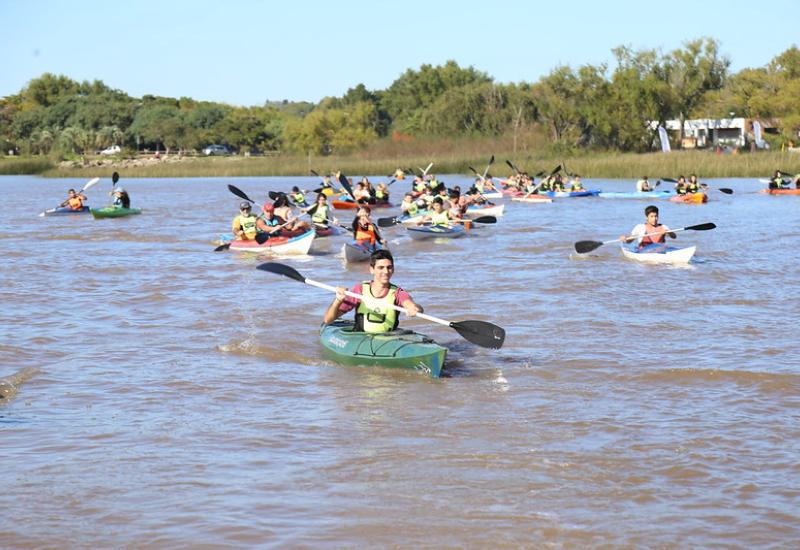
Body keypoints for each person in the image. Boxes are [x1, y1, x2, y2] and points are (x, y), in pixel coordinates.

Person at [323, 249, 422, 333]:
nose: (386, 272)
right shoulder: (359, 290)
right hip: (361, 338)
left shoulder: (397, 293)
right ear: (372, 270)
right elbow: (328, 319)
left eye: (389, 267)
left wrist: (414, 309)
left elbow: (411, 304)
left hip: (387, 340)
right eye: (380, 268)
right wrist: (338, 300)